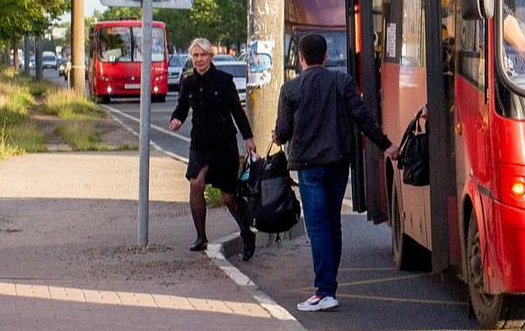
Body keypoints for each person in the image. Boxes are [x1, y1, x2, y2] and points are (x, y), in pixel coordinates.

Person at [271, 32, 397, 313]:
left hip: (308, 166)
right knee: (333, 223)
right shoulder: (342, 82)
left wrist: (277, 136)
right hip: (339, 162)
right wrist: (386, 146)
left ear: (300, 58)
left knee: (317, 228)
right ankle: (329, 285)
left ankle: (324, 290)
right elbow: (363, 116)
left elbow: (283, 132)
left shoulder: (290, 90)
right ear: (325, 56)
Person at [167, 38, 258, 258]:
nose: (199, 60)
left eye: (203, 55)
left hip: (223, 144)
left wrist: (248, 138)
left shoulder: (224, 81)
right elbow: (181, 107)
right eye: (195, 56)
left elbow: (237, 111)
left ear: (210, 56)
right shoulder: (188, 82)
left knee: (228, 197)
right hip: (199, 143)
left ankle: (246, 232)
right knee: (196, 183)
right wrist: (176, 119)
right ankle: (201, 236)